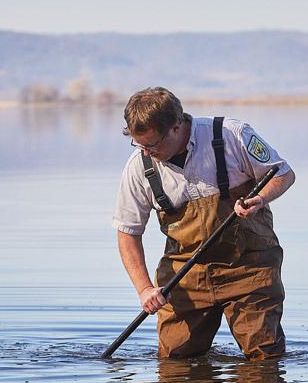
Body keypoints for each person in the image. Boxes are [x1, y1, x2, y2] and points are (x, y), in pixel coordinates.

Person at [112, 87, 295, 360]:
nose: (147, 153)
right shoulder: (139, 167)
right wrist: (146, 289)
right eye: (139, 145)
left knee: (264, 359)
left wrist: (259, 198)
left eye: (152, 145)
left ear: (176, 127)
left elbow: (283, 173)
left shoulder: (231, 135)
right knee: (175, 361)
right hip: (185, 277)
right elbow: (128, 232)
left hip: (250, 267)